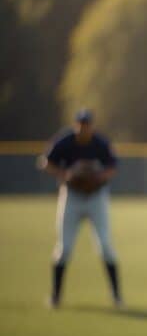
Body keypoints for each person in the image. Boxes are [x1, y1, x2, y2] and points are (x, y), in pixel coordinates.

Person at [39, 108, 122, 309]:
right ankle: (56, 296)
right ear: (76, 125)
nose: (84, 127)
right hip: (72, 196)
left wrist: (97, 177)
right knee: (64, 247)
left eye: (87, 124)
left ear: (92, 126)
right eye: (81, 124)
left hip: (96, 197)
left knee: (106, 247)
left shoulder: (100, 143)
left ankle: (116, 296)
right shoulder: (65, 141)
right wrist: (65, 173)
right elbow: (45, 162)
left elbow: (113, 167)